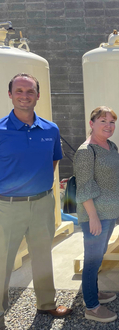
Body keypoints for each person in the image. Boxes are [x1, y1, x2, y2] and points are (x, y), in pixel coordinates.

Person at [0, 73, 72, 330]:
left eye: (30, 91)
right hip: (7, 206)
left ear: (38, 96)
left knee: (43, 255)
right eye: (19, 91)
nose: (24, 95)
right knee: (2, 260)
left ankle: (46, 303)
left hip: (42, 203)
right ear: (10, 94)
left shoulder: (50, 129)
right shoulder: (1, 130)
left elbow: (53, 162)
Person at [73, 106, 119, 323]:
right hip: (95, 216)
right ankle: (92, 307)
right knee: (91, 260)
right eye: (103, 121)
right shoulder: (86, 151)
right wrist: (93, 217)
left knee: (98, 256)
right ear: (92, 124)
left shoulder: (110, 145)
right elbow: (84, 187)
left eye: (112, 122)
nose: (108, 126)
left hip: (110, 213)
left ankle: (93, 292)